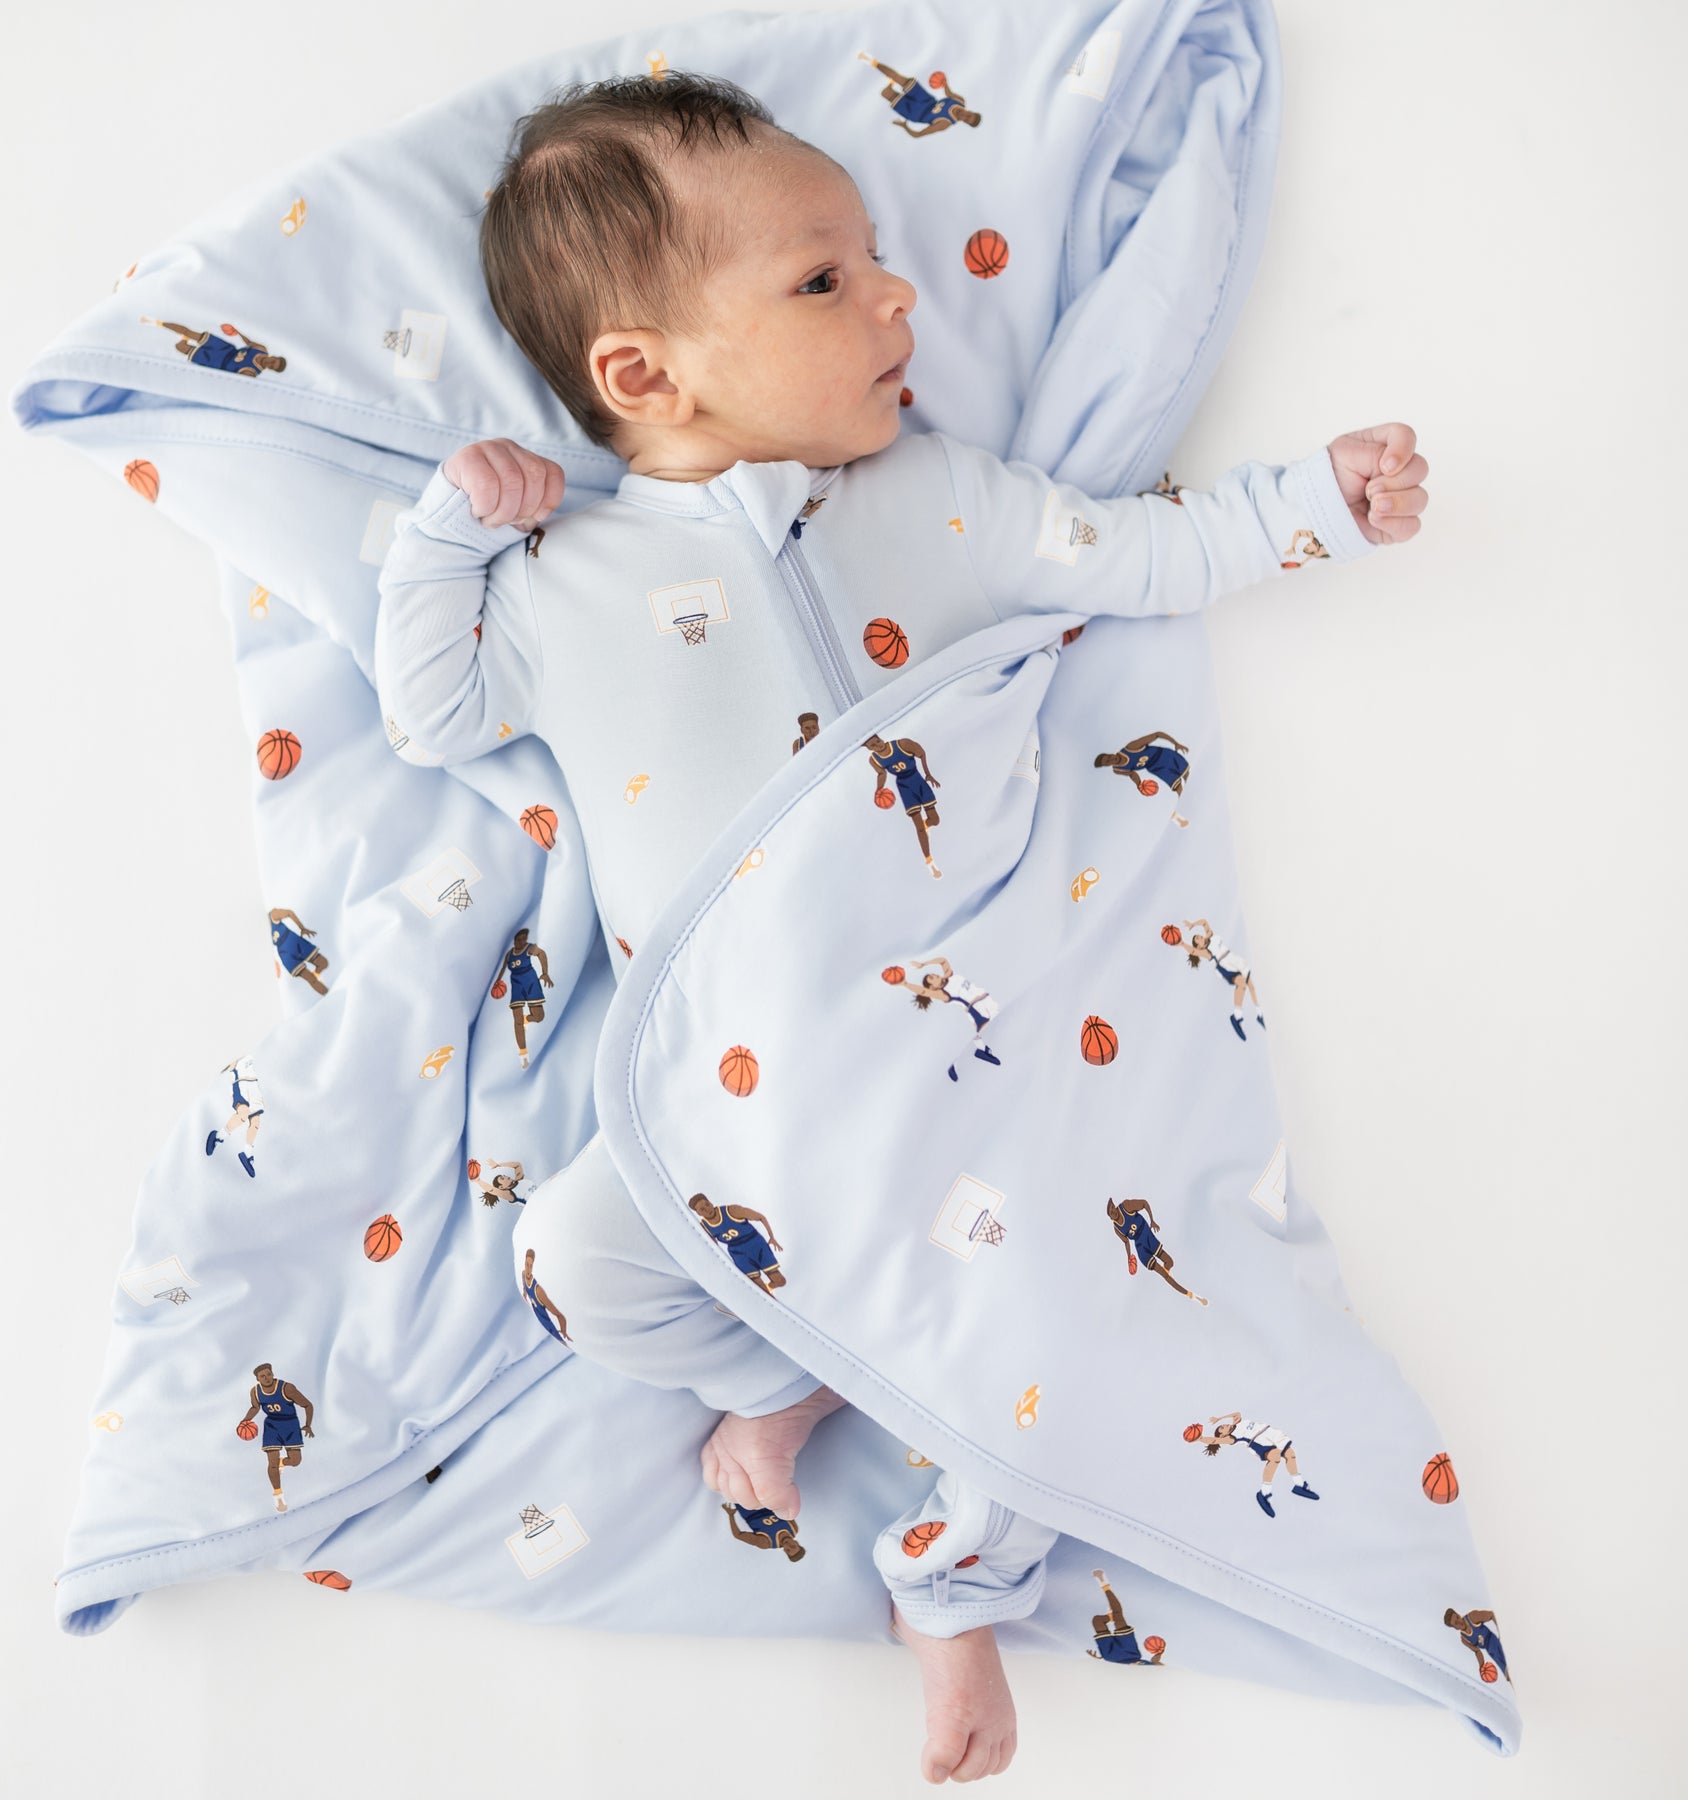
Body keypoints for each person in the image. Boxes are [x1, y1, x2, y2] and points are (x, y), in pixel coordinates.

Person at [374, 70, 1422, 1785]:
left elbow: (1145, 554)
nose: (897, 294)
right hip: (728, 1102)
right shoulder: (566, 590)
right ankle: (789, 1370)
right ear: (643, 374)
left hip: (959, 1069)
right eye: (824, 279)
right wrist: (448, 533)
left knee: (1049, 1325)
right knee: (573, 1257)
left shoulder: (944, 501)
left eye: (873, 258)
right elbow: (429, 716)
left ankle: (956, 1583)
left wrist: (1316, 499)